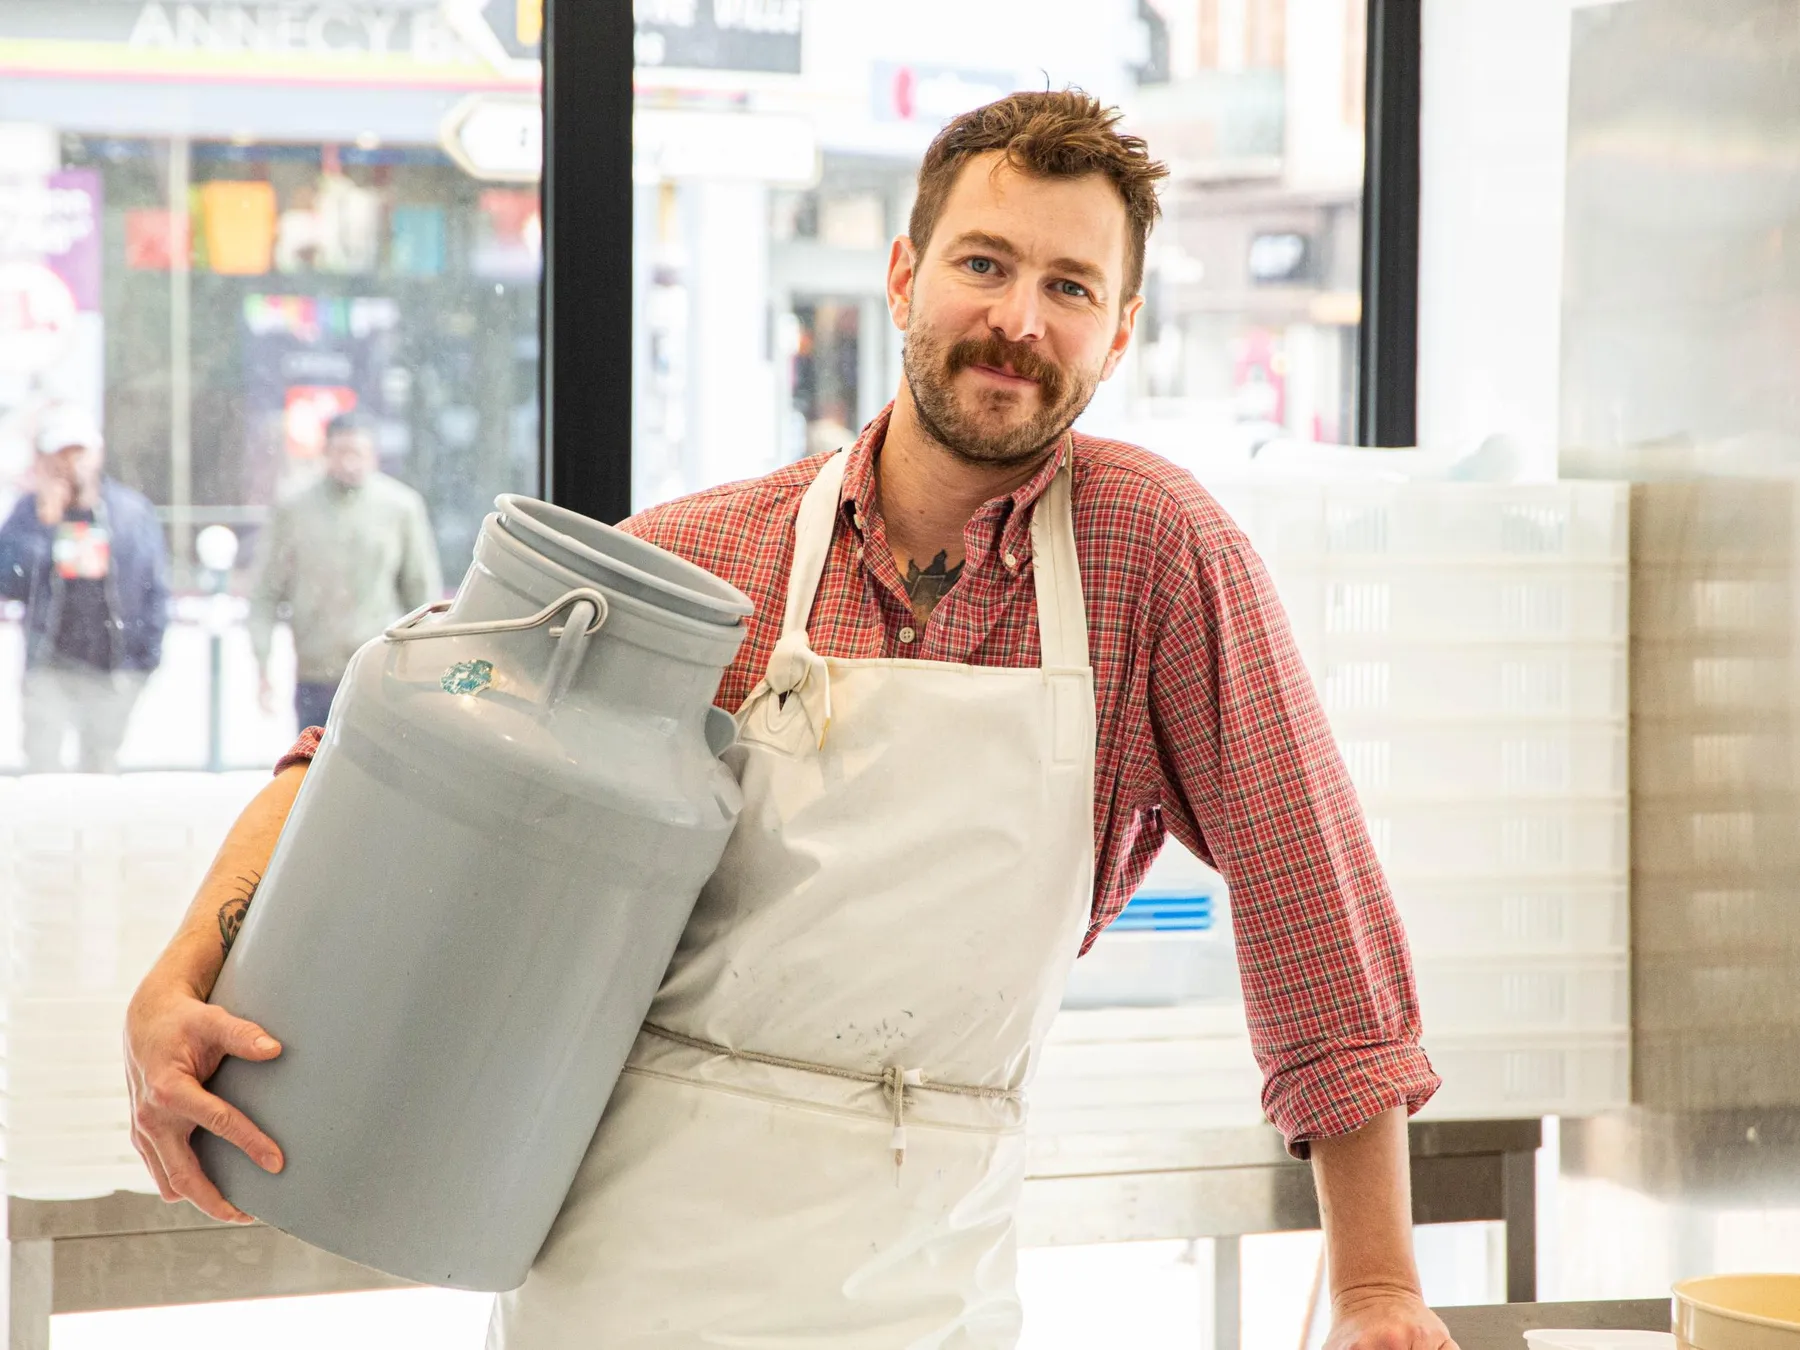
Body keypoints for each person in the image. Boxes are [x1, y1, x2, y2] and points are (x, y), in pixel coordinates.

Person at [125, 93, 1454, 1350]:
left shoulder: (1153, 558)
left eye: (1070, 287)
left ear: (1120, 331)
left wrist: (1377, 1280)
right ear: (902, 276)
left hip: (926, 1272)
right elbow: (388, 736)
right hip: (626, 1265)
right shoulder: (717, 559)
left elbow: (1310, 909)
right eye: (983, 264)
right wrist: (190, 962)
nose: (1018, 321)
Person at [247, 411, 442, 731]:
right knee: (313, 770)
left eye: (359, 453)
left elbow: (421, 592)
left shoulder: (401, 507)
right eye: (341, 452)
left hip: (379, 673)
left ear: (373, 456)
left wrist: (429, 664)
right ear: (326, 454)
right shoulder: (295, 509)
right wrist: (263, 662)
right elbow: (265, 592)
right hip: (315, 674)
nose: (350, 462)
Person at [0, 405, 168, 773]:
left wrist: (145, 661)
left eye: (79, 452)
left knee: (100, 772)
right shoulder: (29, 514)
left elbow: (154, 588)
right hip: (49, 666)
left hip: (112, 669)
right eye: (61, 454)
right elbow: (7, 580)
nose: (71, 464)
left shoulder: (130, 512)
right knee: (42, 771)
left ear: (97, 455)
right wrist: (45, 527)